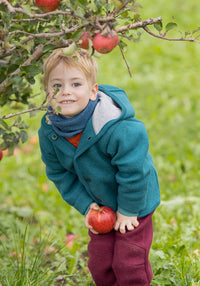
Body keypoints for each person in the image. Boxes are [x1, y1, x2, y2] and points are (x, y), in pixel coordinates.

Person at [38, 48, 160, 286]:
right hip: (100, 207)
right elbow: (59, 173)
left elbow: (134, 172)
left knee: (129, 261)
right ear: (46, 92)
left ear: (93, 91)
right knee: (99, 262)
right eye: (57, 86)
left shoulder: (117, 128)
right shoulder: (50, 132)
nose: (65, 92)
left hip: (135, 202)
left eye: (75, 84)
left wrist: (128, 210)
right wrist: (86, 205)